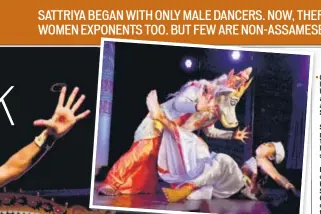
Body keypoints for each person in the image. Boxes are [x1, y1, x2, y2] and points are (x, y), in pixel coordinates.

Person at [97, 68, 252, 197]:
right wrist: (197, 107)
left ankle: (135, 186)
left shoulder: (214, 112)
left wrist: (231, 135)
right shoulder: (199, 89)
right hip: (160, 121)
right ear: (229, 77)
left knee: (154, 161)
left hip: (174, 135)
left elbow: (209, 131)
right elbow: (178, 104)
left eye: (240, 85)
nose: (236, 85)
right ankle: (111, 182)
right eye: (236, 81)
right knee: (142, 151)